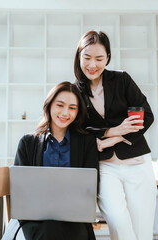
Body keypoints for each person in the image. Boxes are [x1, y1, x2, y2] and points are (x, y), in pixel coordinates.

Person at [74, 30, 157, 240]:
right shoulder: (75, 91)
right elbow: (79, 129)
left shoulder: (121, 80)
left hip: (137, 161)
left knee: (142, 229)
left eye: (99, 58)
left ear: (108, 58)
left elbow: (145, 116)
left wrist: (114, 138)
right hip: (105, 165)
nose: (92, 65)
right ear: (79, 57)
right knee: (118, 221)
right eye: (87, 58)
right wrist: (112, 130)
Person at [14, 81, 98, 240]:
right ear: (49, 105)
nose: (65, 112)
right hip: (34, 221)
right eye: (60, 105)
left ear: (78, 112)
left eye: (72, 108)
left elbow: (90, 189)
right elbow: (19, 191)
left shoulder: (87, 143)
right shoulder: (27, 143)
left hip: (74, 221)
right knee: (49, 230)